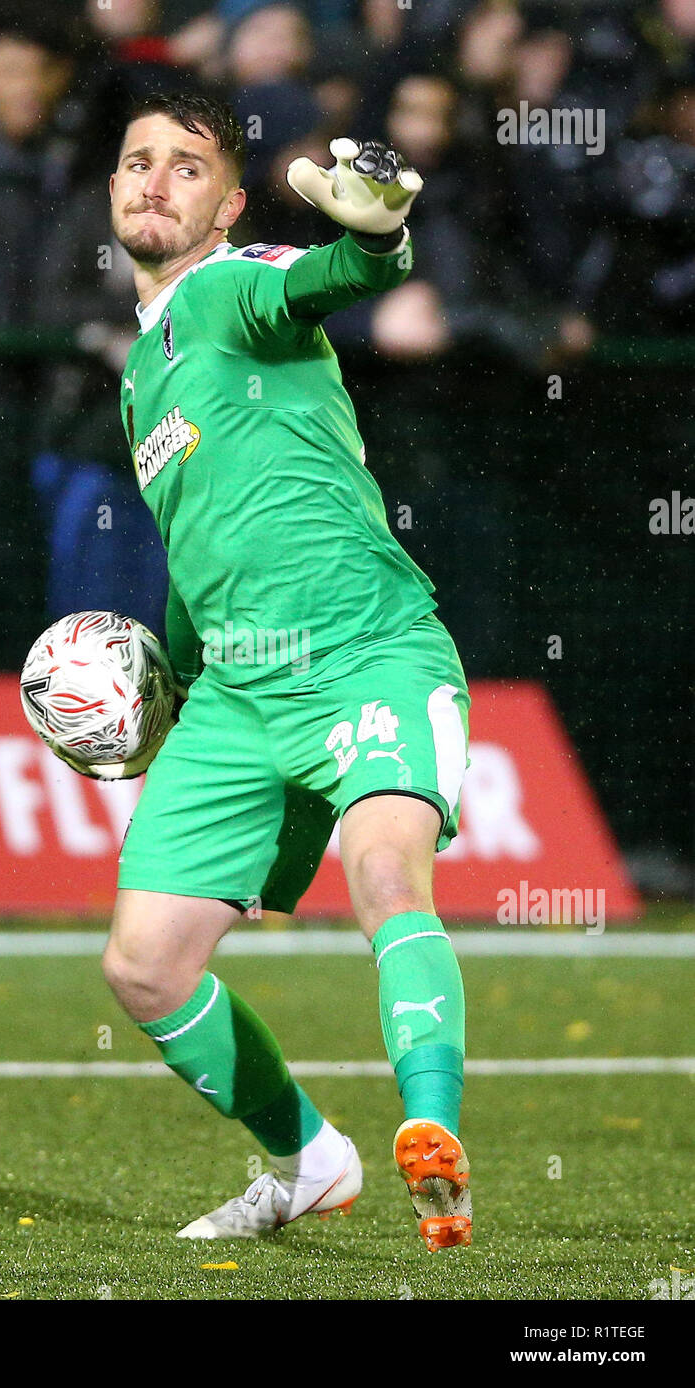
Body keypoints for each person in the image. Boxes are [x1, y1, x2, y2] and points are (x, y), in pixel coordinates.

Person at [102, 91, 472, 1251]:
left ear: (228, 203)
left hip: (365, 649)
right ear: (111, 190)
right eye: (134, 162)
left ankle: (432, 1136)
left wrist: (373, 237)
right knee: (145, 965)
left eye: (185, 165)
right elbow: (192, 547)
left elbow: (319, 283)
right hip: (236, 695)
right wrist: (165, 687)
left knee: (382, 876)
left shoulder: (230, 285)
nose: (153, 180)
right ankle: (310, 1160)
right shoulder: (137, 371)